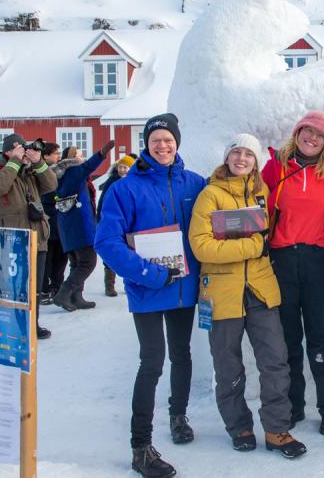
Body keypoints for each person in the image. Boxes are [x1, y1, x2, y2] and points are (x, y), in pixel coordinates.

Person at [95, 113, 205, 478]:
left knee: (182, 355)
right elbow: (106, 242)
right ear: (146, 143)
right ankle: (140, 446)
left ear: (177, 143)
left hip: (184, 288)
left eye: (168, 139)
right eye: (155, 139)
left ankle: (178, 417)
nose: (162, 145)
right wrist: (149, 272)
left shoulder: (194, 183)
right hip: (147, 288)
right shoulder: (124, 189)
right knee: (152, 362)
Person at [190, 133, 307, 458]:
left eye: (249, 155)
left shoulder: (261, 193)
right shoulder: (210, 195)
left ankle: (276, 429)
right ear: (227, 157)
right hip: (222, 291)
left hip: (259, 288)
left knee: (275, 361)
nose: (242, 159)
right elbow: (202, 247)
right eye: (236, 152)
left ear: (256, 162)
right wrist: (254, 245)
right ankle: (238, 426)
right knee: (228, 365)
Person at [262, 111, 324, 436]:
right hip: (281, 261)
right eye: (306, 131)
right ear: (297, 133)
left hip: (317, 261)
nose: (311, 138)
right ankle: (293, 405)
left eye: (319, 135)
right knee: (287, 342)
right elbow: (254, 200)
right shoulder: (276, 167)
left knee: (322, 340)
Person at [0, 134, 57, 339]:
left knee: (34, 287)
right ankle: (10, 328)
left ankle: (32, 325)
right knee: (12, 287)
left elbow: (51, 185)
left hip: (37, 237)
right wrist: (14, 162)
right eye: (18, 149)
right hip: (11, 240)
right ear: (7, 151)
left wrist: (38, 162)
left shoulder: (29, 172)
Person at [52, 141, 115, 311]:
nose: (82, 157)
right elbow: (89, 166)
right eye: (79, 154)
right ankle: (63, 294)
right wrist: (102, 152)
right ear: (72, 158)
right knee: (88, 262)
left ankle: (76, 297)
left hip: (68, 226)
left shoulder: (62, 174)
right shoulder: (73, 171)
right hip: (80, 225)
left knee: (76, 263)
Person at [97, 154, 137, 297]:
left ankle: (131, 282)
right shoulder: (112, 182)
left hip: (130, 223)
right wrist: (100, 218)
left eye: (125, 167)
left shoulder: (136, 182)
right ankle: (109, 285)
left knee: (131, 254)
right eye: (120, 167)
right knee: (112, 253)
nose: (122, 170)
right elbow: (102, 202)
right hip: (114, 222)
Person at [40, 141, 66, 305]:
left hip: (60, 223)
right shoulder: (40, 173)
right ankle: (44, 290)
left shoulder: (61, 171)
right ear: (46, 155)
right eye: (55, 153)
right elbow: (45, 196)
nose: (58, 156)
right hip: (48, 223)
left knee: (61, 259)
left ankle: (57, 287)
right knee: (47, 260)